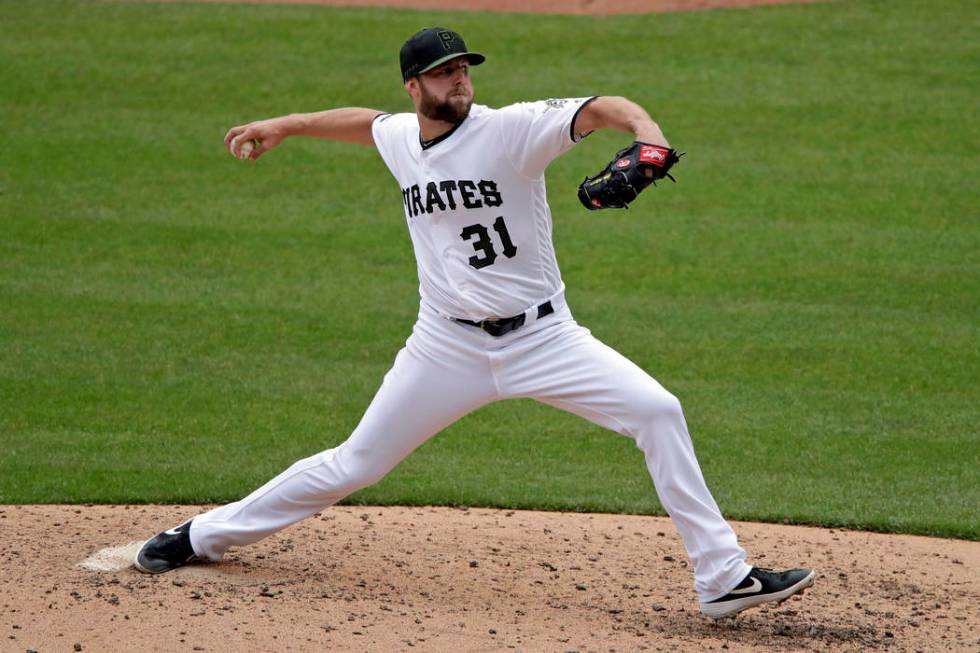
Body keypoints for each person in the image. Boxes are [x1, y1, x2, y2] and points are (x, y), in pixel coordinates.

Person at [134, 27, 814, 619]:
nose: (459, 80)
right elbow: (362, 122)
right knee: (355, 462)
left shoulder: (510, 129)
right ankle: (201, 536)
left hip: (546, 337)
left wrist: (650, 136)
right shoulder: (403, 138)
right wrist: (282, 124)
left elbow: (604, 107)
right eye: (444, 72)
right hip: (445, 346)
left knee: (658, 410)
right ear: (415, 86)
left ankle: (723, 578)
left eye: (464, 69)